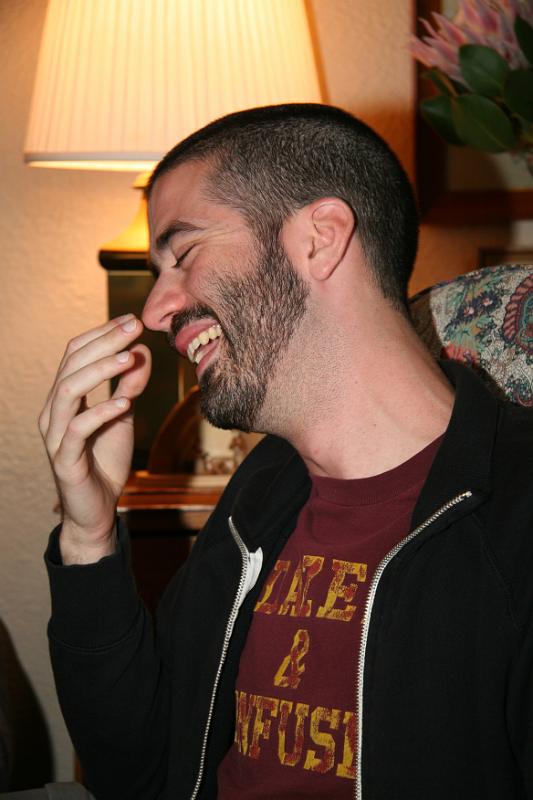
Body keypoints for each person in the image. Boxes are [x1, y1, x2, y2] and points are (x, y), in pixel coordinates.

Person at [39, 104, 533, 800]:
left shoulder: (517, 515)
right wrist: (88, 536)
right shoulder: (260, 497)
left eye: (182, 254)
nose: (154, 311)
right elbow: (139, 772)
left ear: (319, 239)